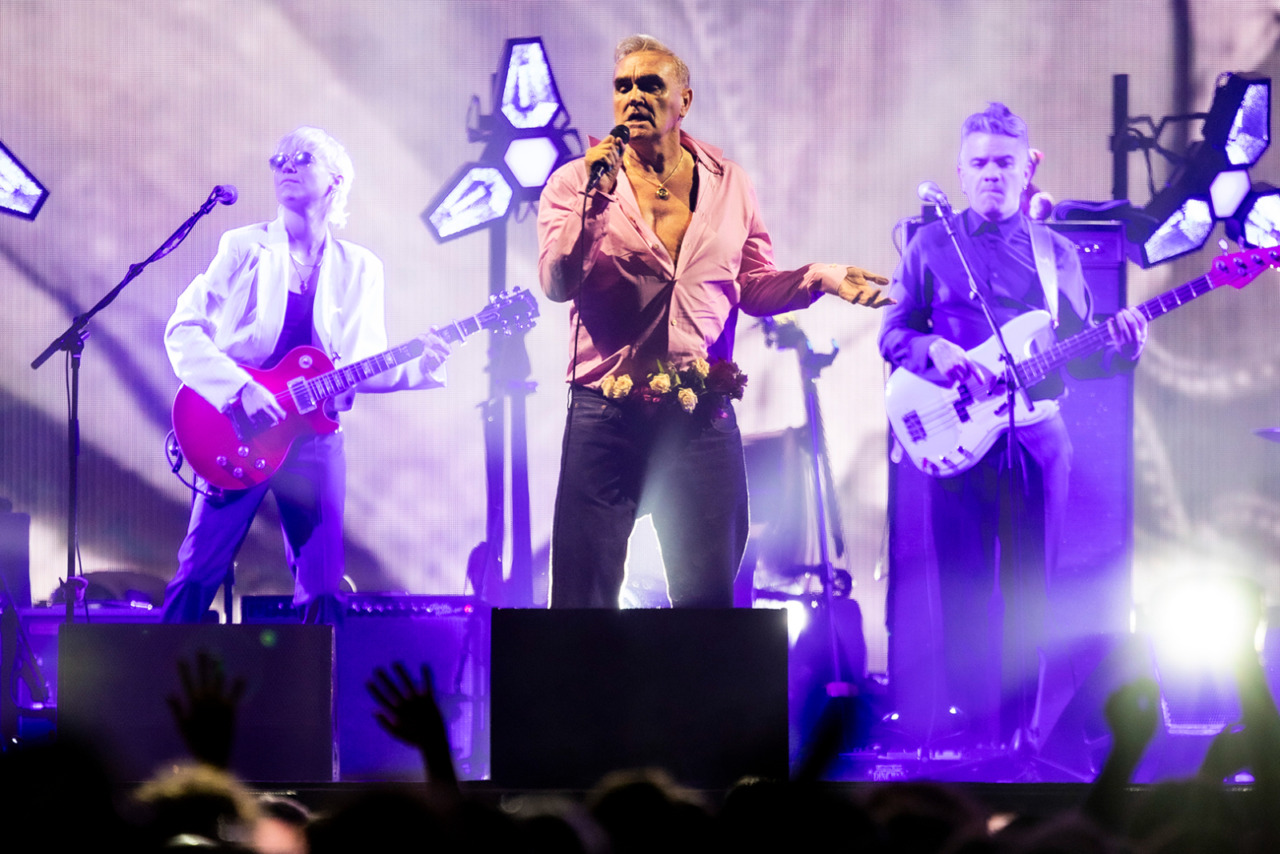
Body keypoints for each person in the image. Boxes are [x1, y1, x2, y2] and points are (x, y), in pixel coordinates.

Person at [537, 35, 892, 609]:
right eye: (623, 86)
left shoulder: (730, 183)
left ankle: (699, 700)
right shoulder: (575, 183)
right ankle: (587, 698)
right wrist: (595, 206)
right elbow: (557, 283)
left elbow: (750, 287)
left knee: (709, 600)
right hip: (606, 412)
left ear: (684, 100)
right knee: (583, 598)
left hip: (697, 411)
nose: (634, 97)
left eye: (651, 85)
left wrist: (818, 277)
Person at [878, 102, 1148, 747]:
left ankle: (1022, 738)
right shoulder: (931, 243)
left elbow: (1080, 358)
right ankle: (972, 735)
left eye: (1004, 162)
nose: (991, 174)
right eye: (979, 164)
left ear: (1028, 168)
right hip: (956, 436)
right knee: (966, 591)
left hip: (1036, 441)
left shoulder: (1057, 254)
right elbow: (893, 330)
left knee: (1031, 596)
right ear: (961, 174)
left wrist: (1122, 347)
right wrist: (933, 353)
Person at [162, 126, 449, 625]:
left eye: (302, 158)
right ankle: (151, 692)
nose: (285, 165)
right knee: (196, 577)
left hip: (314, 443)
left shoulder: (361, 267)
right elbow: (182, 329)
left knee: (323, 590)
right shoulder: (243, 247)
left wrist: (418, 367)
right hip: (235, 430)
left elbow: (362, 365)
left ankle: (315, 697)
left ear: (335, 181)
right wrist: (239, 391)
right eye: (279, 159)